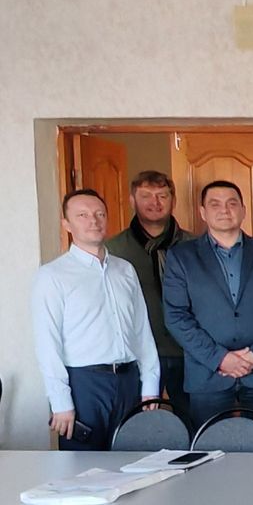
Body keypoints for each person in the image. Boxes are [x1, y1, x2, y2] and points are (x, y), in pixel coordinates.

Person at [32, 189, 160, 450]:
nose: (93, 220)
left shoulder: (125, 270)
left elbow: (142, 331)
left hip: (128, 381)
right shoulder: (52, 275)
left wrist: (150, 386)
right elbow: (47, 343)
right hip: (84, 385)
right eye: (83, 215)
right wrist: (60, 402)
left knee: (132, 461)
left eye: (99, 214)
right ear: (67, 224)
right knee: (82, 467)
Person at [163, 180, 253, 426]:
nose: (224, 210)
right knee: (209, 446)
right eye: (215, 204)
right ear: (202, 212)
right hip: (208, 373)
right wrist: (220, 358)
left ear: (243, 210)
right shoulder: (181, 257)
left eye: (232, 203)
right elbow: (176, 316)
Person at [105, 171, 194, 413]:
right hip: (137, 354)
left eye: (162, 196)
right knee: (139, 425)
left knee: (194, 423)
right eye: (146, 196)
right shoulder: (113, 251)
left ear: (173, 200)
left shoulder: (195, 246)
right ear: (132, 200)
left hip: (190, 352)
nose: (155, 202)